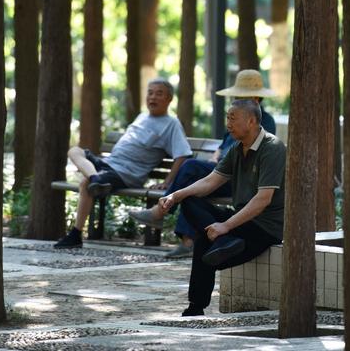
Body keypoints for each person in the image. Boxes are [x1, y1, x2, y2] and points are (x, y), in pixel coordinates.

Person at [128, 69, 277, 259]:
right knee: (191, 193)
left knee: (190, 166)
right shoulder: (237, 117)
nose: (238, 99)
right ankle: (188, 242)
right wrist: (216, 157)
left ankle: (161, 211)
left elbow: (251, 151)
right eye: (238, 95)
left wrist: (222, 162)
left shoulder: (265, 121)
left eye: (243, 96)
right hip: (222, 174)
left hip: (240, 180)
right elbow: (224, 146)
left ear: (256, 98)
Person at [156, 99, 285, 316]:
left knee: (205, 240)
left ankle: (196, 307)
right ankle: (197, 304)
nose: (228, 123)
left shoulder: (272, 148)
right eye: (227, 117)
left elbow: (263, 200)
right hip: (241, 221)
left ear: (252, 120)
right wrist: (175, 195)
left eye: (233, 118)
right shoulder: (236, 149)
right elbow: (210, 181)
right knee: (191, 202)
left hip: (265, 227)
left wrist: (225, 226)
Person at [54, 79, 192, 249]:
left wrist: (167, 182)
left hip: (126, 173)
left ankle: (76, 234)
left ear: (169, 99)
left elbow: (183, 155)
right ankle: (96, 178)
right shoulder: (142, 116)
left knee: (85, 184)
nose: (152, 97)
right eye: (150, 92)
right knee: (74, 151)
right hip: (109, 164)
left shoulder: (172, 124)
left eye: (159, 93)